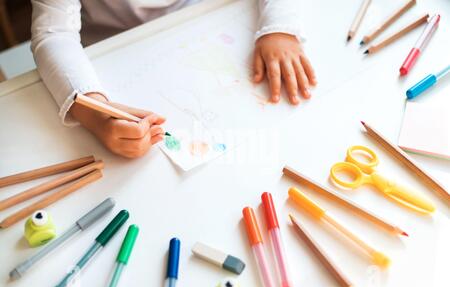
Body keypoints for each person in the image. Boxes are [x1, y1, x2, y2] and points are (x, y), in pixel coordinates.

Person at [31, 0, 316, 158]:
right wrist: (93, 111)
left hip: (201, 23)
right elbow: (54, 34)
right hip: (108, 46)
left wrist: (279, 28)